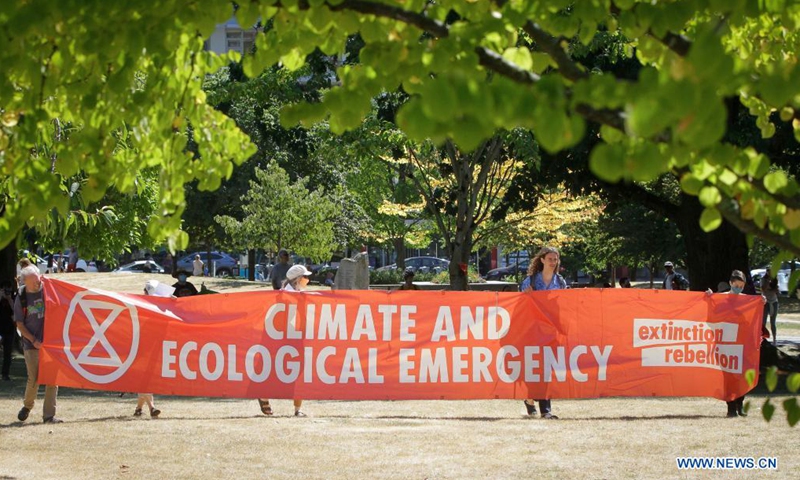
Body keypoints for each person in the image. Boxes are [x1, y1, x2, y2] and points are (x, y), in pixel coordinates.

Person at [706, 270, 767, 417]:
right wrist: (709, 296)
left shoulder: (748, 300)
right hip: (725, 343)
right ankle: (731, 407)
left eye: (741, 285)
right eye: (736, 285)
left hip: (742, 345)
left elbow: (754, 316)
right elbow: (711, 312)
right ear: (730, 283)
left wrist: (762, 302)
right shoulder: (721, 298)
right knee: (728, 377)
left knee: (741, 375)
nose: (739, 287)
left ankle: (740, 405)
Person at [519, 246, 567, 419]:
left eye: (555, 259)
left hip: (551, 331)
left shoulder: (560, 282)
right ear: (542, 260)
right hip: (532, 330)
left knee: (546, 368)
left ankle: (544, 409)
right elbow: (520, 305)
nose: (553, 262)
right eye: (550, 259)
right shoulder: (530, 281)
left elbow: (564, 305)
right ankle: (531, 400)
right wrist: (526, 296)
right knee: (535, 368)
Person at [258, 264, 311, 417]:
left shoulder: (298, 293)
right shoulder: (287, 295)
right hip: (280, 337)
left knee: (298, 370)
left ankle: (297, 408)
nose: (308, 280)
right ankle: (264, 396)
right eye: (306, 277)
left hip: (292, 335)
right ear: (298, 279)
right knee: (276, 369)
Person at [15, 266, 61, 423]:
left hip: (50, 344)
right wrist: (34, 340)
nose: (37, 283)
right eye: (34, 281)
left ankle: (49, 416)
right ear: (25, 281)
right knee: (34, 379)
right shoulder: (22, 296)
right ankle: (27, 406)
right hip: (31, 344)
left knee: (52, 380)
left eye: (38, 279)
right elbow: (20, 324)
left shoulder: (47, 289)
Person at [135, 280, 171, 418]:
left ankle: (139, 409)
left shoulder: (158, 307)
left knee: (146, 380)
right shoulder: (143, 305)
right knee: (145, 379)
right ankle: (152, 408)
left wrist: (171, 302)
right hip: (142, 347)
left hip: (155, 347)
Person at [1, 281, 17, 381]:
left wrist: (10, 300)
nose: (7, 293)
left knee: (8, 353)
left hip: (9, 330)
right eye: (5, 290)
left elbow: (16, 315)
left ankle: (5, 374)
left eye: (9, 291)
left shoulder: (13, 299)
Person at [761, 269, 779, 344]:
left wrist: (775, 289)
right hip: (766, 302)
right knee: (763, 321)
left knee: (773, 321)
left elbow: (777, 290)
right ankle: (762, 337)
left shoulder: (775, 279)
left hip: (774, 301)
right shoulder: (763, 280)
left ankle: (774, 339)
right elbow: (763, 289)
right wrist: (768, 281)